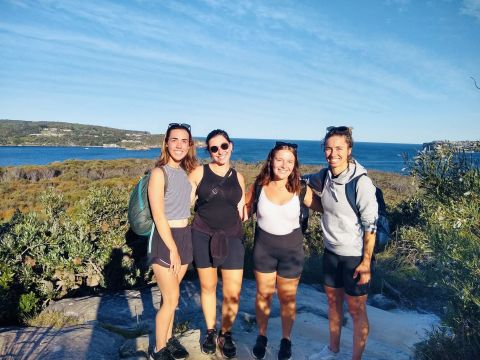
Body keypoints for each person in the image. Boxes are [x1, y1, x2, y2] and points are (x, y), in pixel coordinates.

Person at [306, 126, 378, 360]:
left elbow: (371, 225)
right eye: (328, 148)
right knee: (332, 304)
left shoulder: (361, 183)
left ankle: (355, 358)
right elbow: (318, 200)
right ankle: (333, 349)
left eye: (338, 148)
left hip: (355, 257)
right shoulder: (324, 176)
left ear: (349, 150)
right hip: (331, 252)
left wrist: (366, 262)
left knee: (357, 311)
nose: (332, 153)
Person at [246, 141, 322, 360]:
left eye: (290, 161)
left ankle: (286, 340)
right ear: (271, 160)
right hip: (263, 251)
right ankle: (262, 336)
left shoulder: (302, 189)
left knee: (288, 299)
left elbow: (327, 208)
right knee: (264, 296)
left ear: (295, 164)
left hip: (291, 253)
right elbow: (240, 209)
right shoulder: (259, 186)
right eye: (279, 159)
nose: (284, 165)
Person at [188, 129, 247, 359]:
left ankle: (227, 333)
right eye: (214, 148)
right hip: (202, 234)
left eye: (223, 146)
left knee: (233, 291)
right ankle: (211, 332)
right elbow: (185, 203)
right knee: (208, 287)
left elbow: (242, 210)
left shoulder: (239, 177)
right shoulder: (198, 172)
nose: (219, 151)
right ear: (209, 151)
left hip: (232, 236)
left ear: (230, 146)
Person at [147, 123, 198, 360]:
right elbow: (159, 215)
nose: (179, 145)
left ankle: (167, 339)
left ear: (189, 146)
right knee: (171, 298)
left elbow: (185, 206)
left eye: (184, 141)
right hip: (166, 240)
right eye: (174, 140)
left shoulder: (185, 174)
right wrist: (173, 249)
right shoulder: (159, 173)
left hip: (184, 236)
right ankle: (158, 350)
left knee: (171, 298)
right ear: (166, 143)